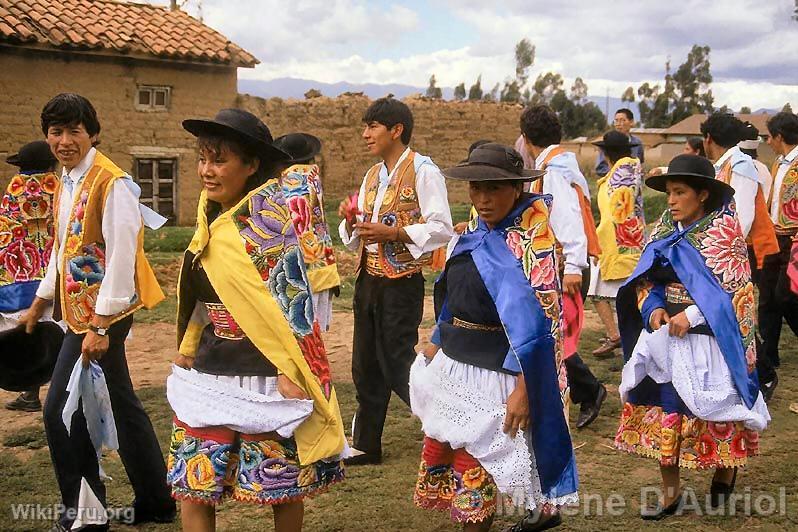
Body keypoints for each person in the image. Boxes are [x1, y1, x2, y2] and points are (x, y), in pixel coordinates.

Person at [167, 109, 347, 531]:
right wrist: (187, 347)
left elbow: (294, 307)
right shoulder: (207, 221)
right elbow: (200, 296)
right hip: (210, 375)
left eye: (219, 160)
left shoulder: (267, 228)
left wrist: (290, 369)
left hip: (264, 377)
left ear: (250, 166)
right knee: (193, 485)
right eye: (203, 159)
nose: (206, 171)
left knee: (280, 489)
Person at [17, 93, 175, 530]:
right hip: (80, 314)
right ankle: (157, 502)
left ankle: (85, 516)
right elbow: (64, 247)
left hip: (103, 317)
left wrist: (101, 325)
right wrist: (41, 299)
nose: (64, 140)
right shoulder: (67, 179)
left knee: (59, 411)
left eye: (74, 131)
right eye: (55, 132)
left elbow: (122, 258)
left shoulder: (113, 183)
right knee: (122, 405)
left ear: (93, 133)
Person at [410, 143, 578, 532]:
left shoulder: (535, 246)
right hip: (456, 365)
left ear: (517, 189)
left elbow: (544, 326)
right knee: (460, 459)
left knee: (478, 470)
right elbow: (454, 296)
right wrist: (435, 342)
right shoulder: (470, 234)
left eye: (494, 189)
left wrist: (524, 388)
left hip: (498, 373)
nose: (483, 199)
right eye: (476, 189)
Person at [614, 154, 770, 520]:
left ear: (702, 194)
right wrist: (652, 307)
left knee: (717, 407)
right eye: (668, 192)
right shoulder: (665, 230)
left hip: (712, 341)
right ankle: (670, 495)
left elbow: (736, 291)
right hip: (668, 336)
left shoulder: (724, 235)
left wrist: (694, 314)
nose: (670, 200)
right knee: (667, 405)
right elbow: (646, 276)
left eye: (679, 192)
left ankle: (725, 469)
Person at [338, 97, 453, 465]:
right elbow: (360, 232)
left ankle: (448, 426)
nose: (365, 134)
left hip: (402, 281)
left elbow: (441, 229)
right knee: (365, 363)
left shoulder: (423, 171)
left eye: (372, 126)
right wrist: (351, 218)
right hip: (369, 279)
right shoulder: (373, 175)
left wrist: (393, 233)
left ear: (396, 130)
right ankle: (366, 443)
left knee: (398, 361)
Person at [520, 104, 606, 430]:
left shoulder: (554, 171)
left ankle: (589, 390)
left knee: (551, 336)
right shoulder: (561, 165)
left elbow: (566, 219)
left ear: (526, 139)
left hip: (562, 266)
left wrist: (572, 265)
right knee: (548, 335)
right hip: (559, 264)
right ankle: (581, 391)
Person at [1, 141, 59, 412]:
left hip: (19, 279)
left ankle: (30, 391)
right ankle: (66, 391)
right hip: (58, 277)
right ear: (51, 163)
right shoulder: (61, 188)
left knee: (28, 333)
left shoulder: (14, 193)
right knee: (62, 335)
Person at [273, 132, 341, 331]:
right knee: (315, 332)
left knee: (298, 329)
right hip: (321, 262)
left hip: (298, 269)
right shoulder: (312, 178)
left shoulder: (288, 181)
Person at [588, 132, 645, 358]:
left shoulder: (616, 179)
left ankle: (621, 337)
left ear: (605, 153)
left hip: (615, 244)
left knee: (600, 292)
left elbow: (614, 216)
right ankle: (623, 336)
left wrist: (595, 242)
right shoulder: (629, 172)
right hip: (632, 241)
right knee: (631, 295)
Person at [701, 112, 778, 271]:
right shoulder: (725, 165)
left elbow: (743, 217)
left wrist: (722, 253)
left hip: (744, 250)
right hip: (730, 247)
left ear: (708, 138)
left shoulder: (740, 165)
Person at [758, 111, 798, 401]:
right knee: (768, 299)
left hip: (795, 238)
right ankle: (769, 357)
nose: (767, 142)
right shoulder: (778, 164)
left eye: (769, 137)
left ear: (780, 137)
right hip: (774, 237)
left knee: (786, 296)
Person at [595, 108, 645, 176]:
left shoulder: (637, 143)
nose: (618, 124)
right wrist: (619, 173)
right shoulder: (608, 142)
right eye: (616, 121)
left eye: (622, 120)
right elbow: (600, 169)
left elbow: (640, 164)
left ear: (631, 122)